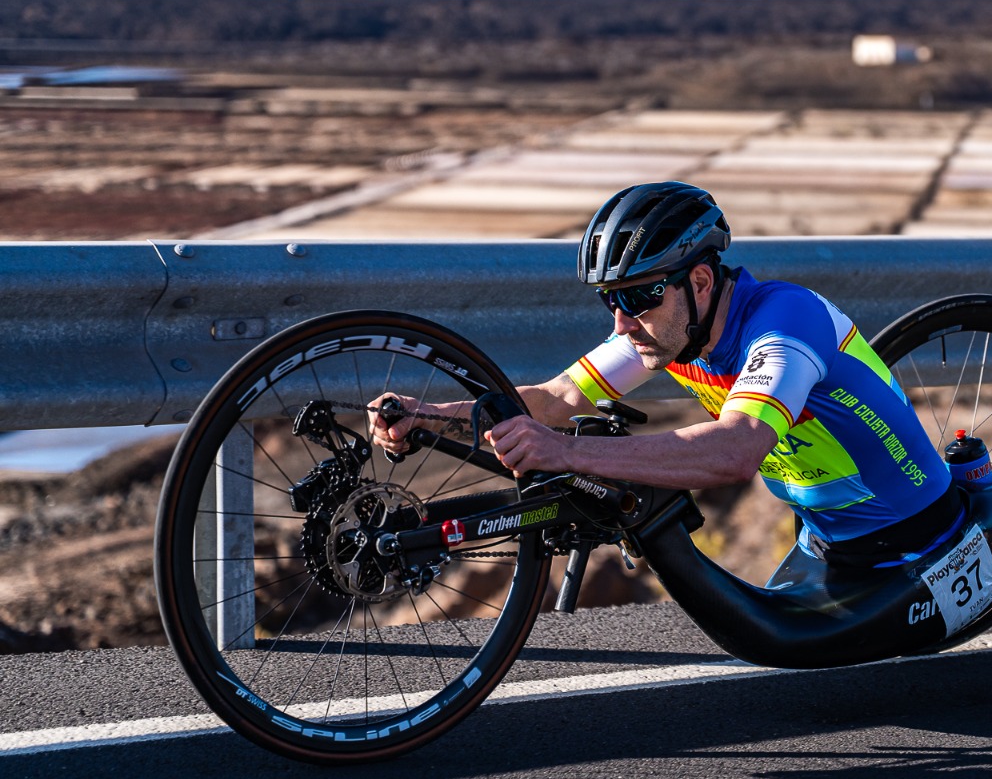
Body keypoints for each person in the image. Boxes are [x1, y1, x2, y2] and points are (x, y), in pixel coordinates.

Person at [371, 181, 961, 568]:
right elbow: (556, 397)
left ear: (699, 282)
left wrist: (566, 453)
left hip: (914, 536)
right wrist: (426, 418)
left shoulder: (782, 327)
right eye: (611, 301)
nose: (623, 321)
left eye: (640, 296)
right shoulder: (667, 328)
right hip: (824, 539)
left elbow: (734, 452)